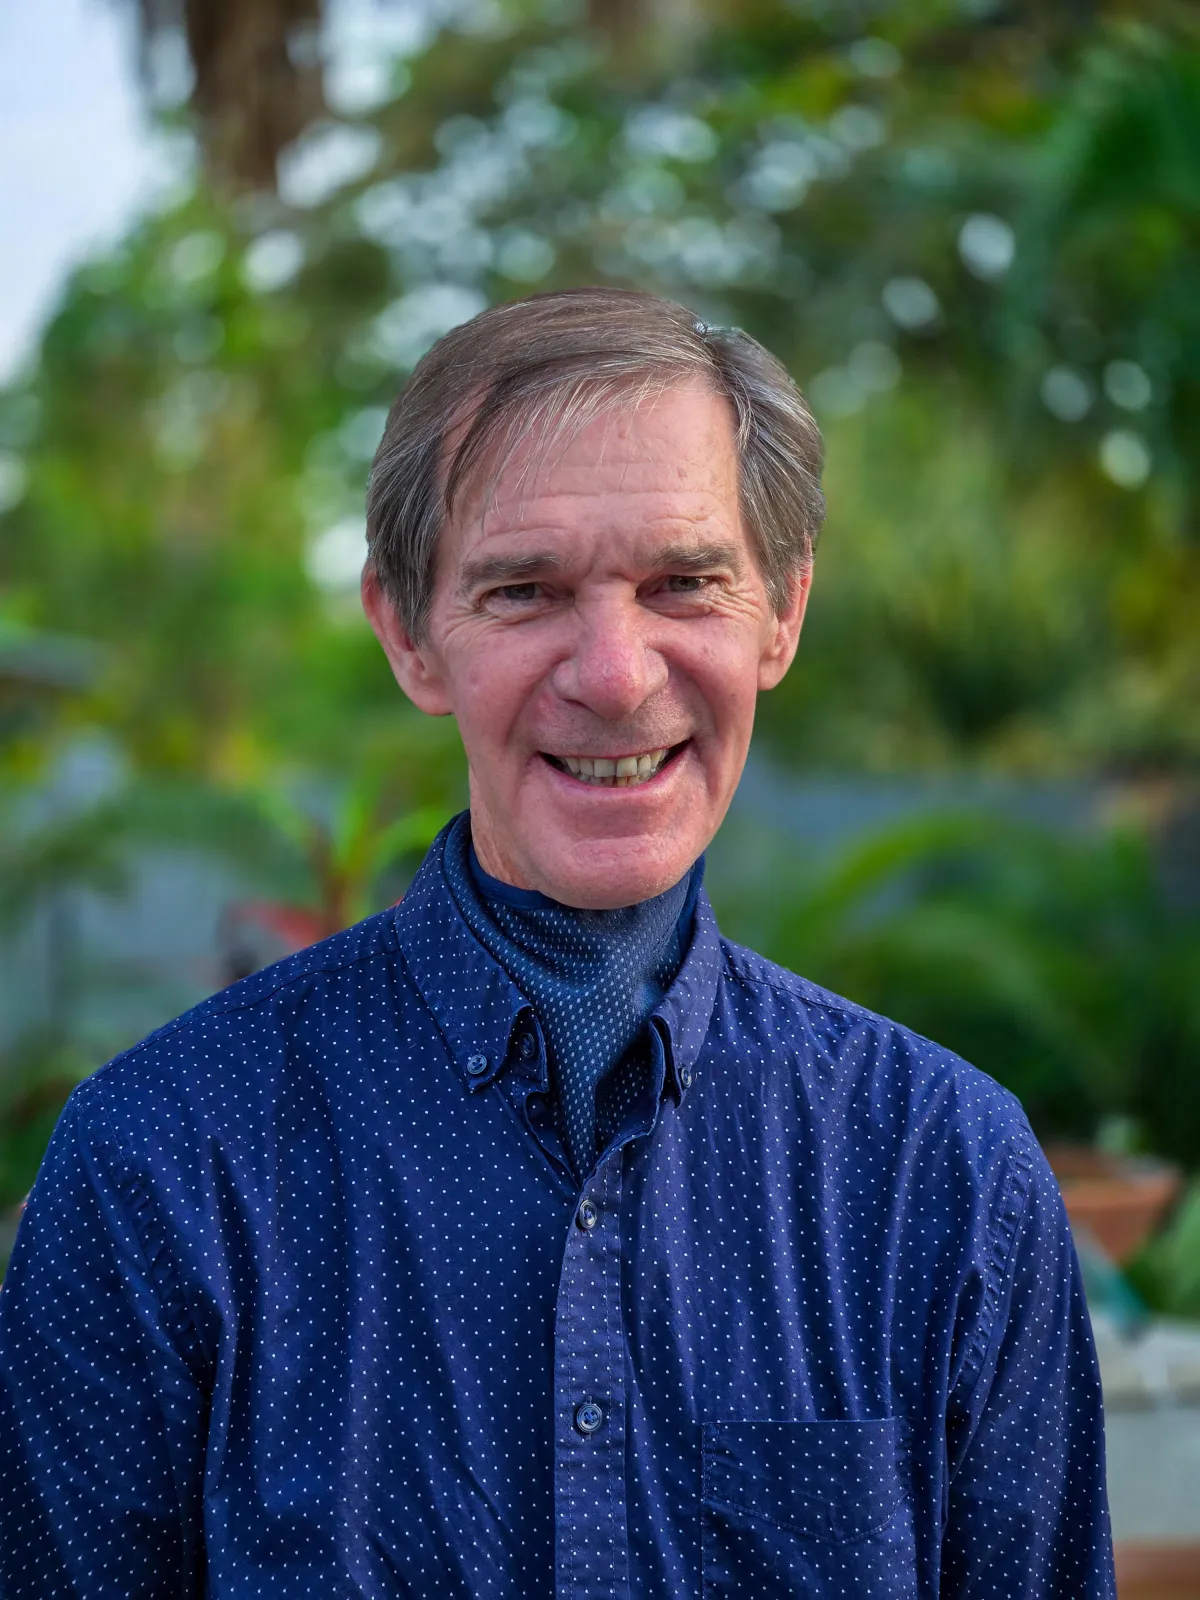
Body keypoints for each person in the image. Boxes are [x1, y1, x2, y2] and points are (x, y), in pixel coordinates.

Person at [0, 287, 1115, 1597]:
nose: (616, 674)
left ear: (783, 611)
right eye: (525, 591)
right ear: (410, 635)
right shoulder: (161, 1167)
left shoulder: (948, 1175)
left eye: (684, 583)